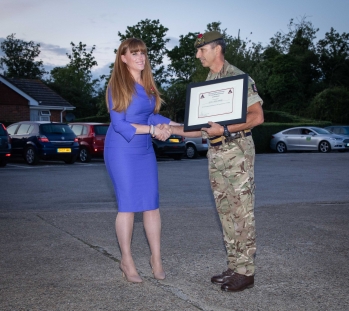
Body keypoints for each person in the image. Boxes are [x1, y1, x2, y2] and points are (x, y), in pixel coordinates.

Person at [168, 31, 264, 292]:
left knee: (241, 211)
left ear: (216, 49)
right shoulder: (210, 81)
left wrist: (225, 130)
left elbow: (256, 116)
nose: (198, 55)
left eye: (201, 50)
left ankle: (246, 271)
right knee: (225, 211)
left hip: (237, 154)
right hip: (216, 154)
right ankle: (234, 265)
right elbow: (201, 128)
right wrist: (173, 129)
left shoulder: (238, 78)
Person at [104, 38, 178, 283]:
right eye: (134, 53)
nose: (140, 57)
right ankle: (127, 261)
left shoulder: (147, 86)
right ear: (123, 58)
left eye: (143, 53)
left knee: (151, 205)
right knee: (127, 206)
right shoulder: (116, 86)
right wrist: (153, 130)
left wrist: (175, 126)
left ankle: (155, 258)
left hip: (145, 151)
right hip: (121, 151)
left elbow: (153, 117)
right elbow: (120, 124)